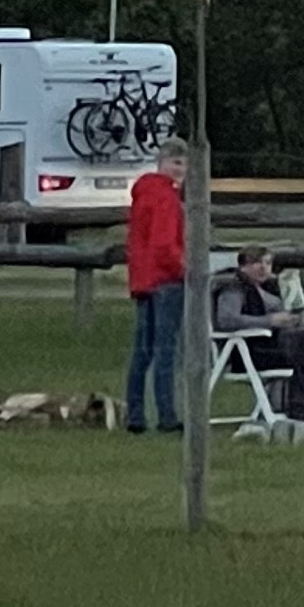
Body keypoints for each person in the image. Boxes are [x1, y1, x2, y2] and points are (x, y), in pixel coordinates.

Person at [122, 141, 191, 434]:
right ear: (162, 162)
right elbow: (164, 244)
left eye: (184, 165)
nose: (181, 171)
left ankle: (135, 414)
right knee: (166, 349)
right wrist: (184, 269)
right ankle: (166, 415)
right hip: (165, 279)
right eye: (176, 163)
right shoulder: (166, 197)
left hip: (143, 280)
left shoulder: (143, 195)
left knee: (143, 350)